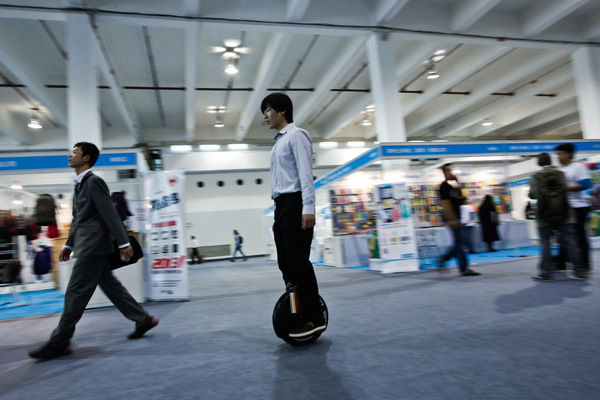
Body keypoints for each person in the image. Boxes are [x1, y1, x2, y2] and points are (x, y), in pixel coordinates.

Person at [28, 142, 158, 361]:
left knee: (75, 293)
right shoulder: (79, 185)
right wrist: (68, 245)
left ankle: (59, 342)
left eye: (74, 153)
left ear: (86, 158)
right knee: (111, 287)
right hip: (87, 245)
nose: (70, 156)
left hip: (94, 247)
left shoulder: (94, 182)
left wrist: (124, 242)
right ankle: (143, 319)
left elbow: (110, 214)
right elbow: (78, 219)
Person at [261, 92, 326, 338]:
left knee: (298, 261)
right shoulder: (278, 142)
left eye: (268, 110)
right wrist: (278, 217)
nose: (265, 116)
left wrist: (308, 208)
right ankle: (298, 310)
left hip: (296, 202)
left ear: (282, 111)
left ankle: (314, 318)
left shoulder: (296, 135)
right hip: (282, 206)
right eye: (264, 112)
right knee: (285, 263)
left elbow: (305, 174)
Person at [529, 152, 585, 281]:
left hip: (544, 214)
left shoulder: (535, 176)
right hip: (565, 212)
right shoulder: (561, 173)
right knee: (570, 242)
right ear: (550, 160)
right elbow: (565, 189)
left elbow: (533, 195)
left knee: (545, 242)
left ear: (538, 163)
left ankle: (545, 273)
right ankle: (579, 271)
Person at [555, 143, 592, 274]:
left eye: (560, 153)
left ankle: (585, 265)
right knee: (564, 236)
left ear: (569, 154)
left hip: (578, 206)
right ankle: (561, 262)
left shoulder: (578, 167)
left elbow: (586, 184)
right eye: (557, 154)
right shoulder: (560, 170)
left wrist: (565, 188)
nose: (558, 156)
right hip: (564, 207)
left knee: (580, 236)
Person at [438, 164, 480, 276]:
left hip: (457, 217)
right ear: (444, 172)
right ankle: (464, 268)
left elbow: (461, 199)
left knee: (458, 243)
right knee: (459, 244)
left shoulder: (453, 186)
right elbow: (445, 204)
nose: (451, 172)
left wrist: (456, 181)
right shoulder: (443, 187)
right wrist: (452, 219)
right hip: (452, 219)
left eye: (451, 170)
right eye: (448, 171)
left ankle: (443, 259)